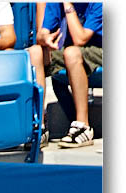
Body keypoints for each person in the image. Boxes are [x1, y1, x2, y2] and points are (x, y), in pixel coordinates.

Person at [27, 2, 102, 149]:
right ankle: (39, 126)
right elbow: (41, 33)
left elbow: (80, 39)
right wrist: (45, 38)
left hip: (101, 51)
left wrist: (68, 4)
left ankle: (83, 126)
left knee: (71, 53)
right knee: (35, 52)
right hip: (72, 51)